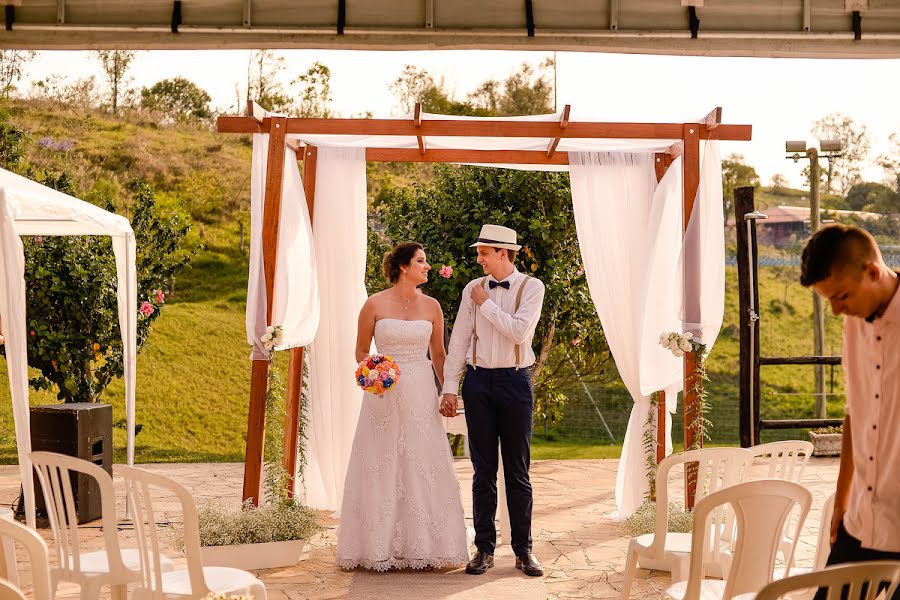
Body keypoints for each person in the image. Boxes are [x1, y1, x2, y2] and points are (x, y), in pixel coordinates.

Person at [336, 242, 469, 572]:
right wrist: (379, 373)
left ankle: (427, 544)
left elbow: (439, 356)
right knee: (381, 462)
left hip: (422, 392)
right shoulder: (373, 304)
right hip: (383, 395)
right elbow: (359, 352)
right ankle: (376, 544)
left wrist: (450, 391)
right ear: (403, 267)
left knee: (422, 461)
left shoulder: (433, 307)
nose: (427, 266)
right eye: (421, 261)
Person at [440, 224, 546, 577]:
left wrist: (485, 305)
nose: (479, 258)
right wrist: (450, 388)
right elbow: (458, 340)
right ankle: (483, 550)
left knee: (518, 471)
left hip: (515, 382)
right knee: (482, 471)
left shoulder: (532, 288)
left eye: (484, 252)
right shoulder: (472, 289)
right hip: (479, 383)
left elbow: (518, 331)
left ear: (503, 253)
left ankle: (523, 551)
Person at [799, 224, 900, 591]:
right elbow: (855, 412)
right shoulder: (854, 323)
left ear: (872, 272)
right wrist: (841, 500)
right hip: (861, 518)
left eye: (841, 295)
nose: (837, 309)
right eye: (829, 300)